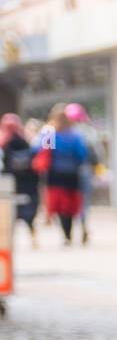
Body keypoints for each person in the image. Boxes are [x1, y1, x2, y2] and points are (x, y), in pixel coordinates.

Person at [38, 105, 89, 246]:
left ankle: (66, 234)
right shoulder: (74, 134)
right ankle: (70, 231)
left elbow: (41, 150)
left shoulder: (50, 133)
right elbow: (82, 154)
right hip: (72, 173)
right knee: (71, 204)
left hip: (55, 174)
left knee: (59, 204)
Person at [1, 113, 40, 246]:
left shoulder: (3, 142)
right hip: (27, 183)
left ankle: (7, 239)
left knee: (8, 214)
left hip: (9, 183)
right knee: (29, 213)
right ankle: (33, 236)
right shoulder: (26, 140)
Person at [64, 102, 100, 244]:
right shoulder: (88, 131)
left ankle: (67, 233)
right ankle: (84, 225)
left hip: (64, 172)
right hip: (84, 169)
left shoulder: (58, 131)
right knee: (84, 201)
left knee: (68, 202)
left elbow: (45, 149)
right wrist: (97, 166)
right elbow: (97, 152)